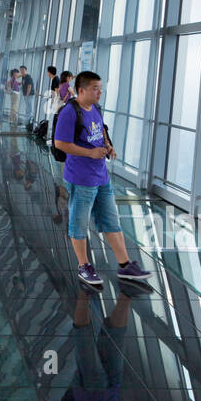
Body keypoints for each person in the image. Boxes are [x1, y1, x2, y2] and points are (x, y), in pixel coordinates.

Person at [53, 70, 150, 287]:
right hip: (81, 178)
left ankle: (125, 265)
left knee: (111, 220)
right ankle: (83, 266)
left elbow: (101, 129)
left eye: (100, 88)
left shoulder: (95, 108)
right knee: (79, 223)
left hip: (101, 176)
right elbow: (60, 143)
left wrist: (108, 145)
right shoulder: (69, 112)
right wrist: (89, 153)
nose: (100, 92)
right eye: (95, 88)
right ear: (81, 90)